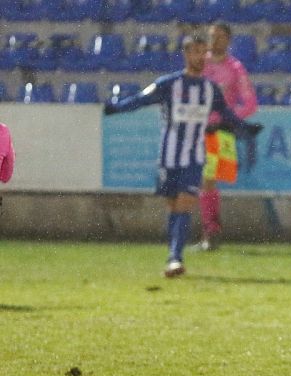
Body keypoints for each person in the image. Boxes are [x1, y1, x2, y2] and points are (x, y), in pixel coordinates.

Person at [103, 34, 262, 277]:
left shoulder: (211, 90)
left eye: (203, 52)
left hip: (195, 156)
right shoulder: (169, 84)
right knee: (174, 206)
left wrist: (246, 129)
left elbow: (226, 115)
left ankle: (175, 258)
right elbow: (142, 100)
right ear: (186, 54)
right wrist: (116, 108)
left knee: (185, 203)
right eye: (195, 52)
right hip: (169, 156)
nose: (200, 57)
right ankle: (174, 252)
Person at [195, 22, 259, 252]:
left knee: (208, 178)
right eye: (212, 36)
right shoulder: (200, 64)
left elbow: (250, 103)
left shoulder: (235, 68)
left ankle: (210, 232)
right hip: (197, 128)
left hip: (219, 130)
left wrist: (229, 117)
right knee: (205, 180)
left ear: (229, 40)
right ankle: (211, 230)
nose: (215, 41)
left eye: (220, 37)